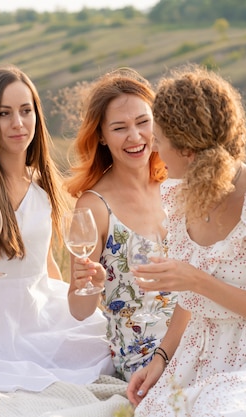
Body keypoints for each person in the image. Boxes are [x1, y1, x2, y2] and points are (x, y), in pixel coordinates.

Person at [126, 64, 246, 415]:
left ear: (187, 150)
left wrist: (198, 281)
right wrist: (160, 360)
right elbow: (189, 302)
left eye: (160, 141)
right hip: (199, 356)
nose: (154, 149)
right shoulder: (179, 195)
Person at [0, 65, 113, 392]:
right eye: (4, 113)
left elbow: (43, 263)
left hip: (35, 308)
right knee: (15, 377)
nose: (18, 123)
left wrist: (66, 309)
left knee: (106, 344)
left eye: (26, 111)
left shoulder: (42, 183)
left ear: (36, 116)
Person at [64, 67, 177, 381]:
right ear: (100, 136)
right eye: (119, 127)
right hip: (145, 347)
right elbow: (79, 309)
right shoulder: (94, 206)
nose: (135, 136)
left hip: (195, 325)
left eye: (143, 122)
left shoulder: (176, 185)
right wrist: (94, 283)